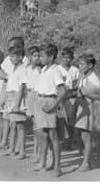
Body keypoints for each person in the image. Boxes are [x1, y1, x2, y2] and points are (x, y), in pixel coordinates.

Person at [34, 44, 66, 177]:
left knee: (53, 135)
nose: (40, 58)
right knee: (42, 134)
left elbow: (63, 91)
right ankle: (44, 162)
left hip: (49, 102)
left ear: (51, 57)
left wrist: (54, 105)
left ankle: (57, 166)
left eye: (43, 56)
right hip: (40, 100)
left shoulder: (55, 70)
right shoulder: (44, 69)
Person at [70, 53, 100, 171]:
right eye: (79, 63)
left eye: (82, 64)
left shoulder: (94, 79)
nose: (80, 66)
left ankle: (86, 164)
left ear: (90, 65)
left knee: (86, 136)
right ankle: (86, 161)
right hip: (81, 106)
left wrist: (87, 94)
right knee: (81, 135)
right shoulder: (83, 76)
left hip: (88, 108)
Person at [0, 46, 28, 160]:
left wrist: (17, 103)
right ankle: (12, 149)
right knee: (12, 125)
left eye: (14, 56)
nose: (11, 59)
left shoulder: (22, 69)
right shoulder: (13, 68)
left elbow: (21, 87)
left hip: (17, 97)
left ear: (20, 57)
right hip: (10, 97)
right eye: (10, 56)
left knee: (20, 126)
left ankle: (22, 151)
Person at [58, 47, 80, 148]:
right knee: (60, 120)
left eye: (69, 58)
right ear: (61, 58)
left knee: (71, 119)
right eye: (65, 57)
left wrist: (71, 89)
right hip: (59, 97)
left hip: (70, 97)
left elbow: (77, 85)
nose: (67, 60)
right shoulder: (57, 69)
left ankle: (72, 140)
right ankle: (62, 140)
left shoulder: (75, 70)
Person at [25, 45, 41, 161]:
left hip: (37, 95)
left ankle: (38, 151)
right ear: (30, 57)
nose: (37, 58)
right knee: (33, 122)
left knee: (38, 124)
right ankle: (36, 150)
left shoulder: (41, 69)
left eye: (39, 56)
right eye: (35, 56)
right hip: (29, 94)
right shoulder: (27, 68)